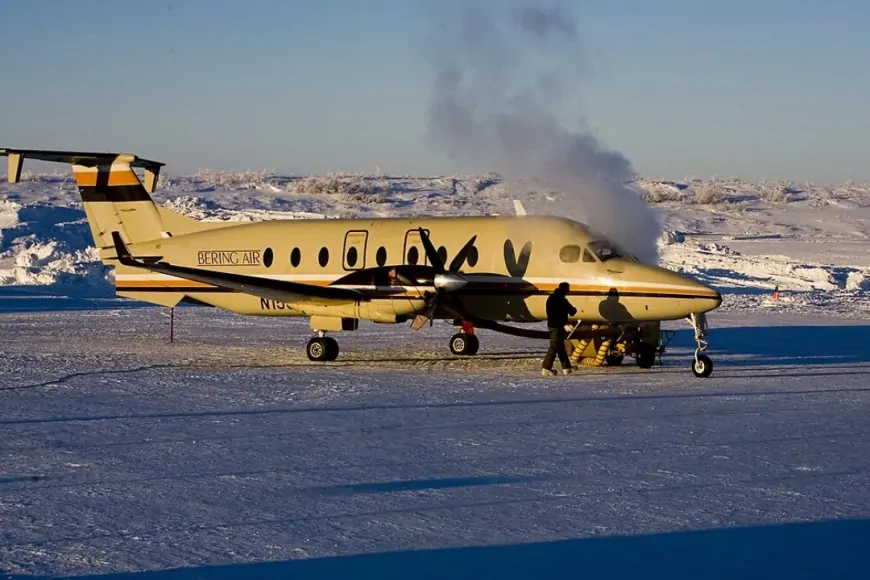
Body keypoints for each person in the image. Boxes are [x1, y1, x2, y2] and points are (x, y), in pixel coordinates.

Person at [542, 281, 577, 376]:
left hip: (552, 325)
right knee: (554, 346)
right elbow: (572, 311)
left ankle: (567, 367)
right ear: (566, 290)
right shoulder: (562, 300)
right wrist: (574, 309)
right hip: (558, 326)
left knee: (560, 347)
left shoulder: (551, 298)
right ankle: (546, 368)